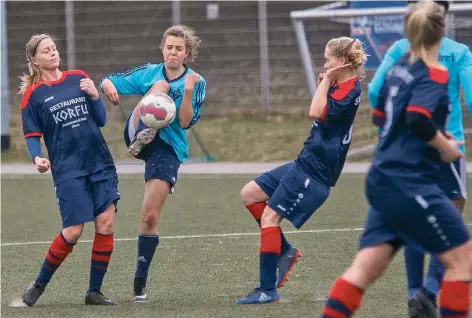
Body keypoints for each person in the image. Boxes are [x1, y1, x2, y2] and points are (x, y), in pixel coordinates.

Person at [321, 2, 472, 317]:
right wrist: (444, 144)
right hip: (410, 178)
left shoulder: (399, 65)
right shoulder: (435, 72)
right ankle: (427, 293)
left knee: (364, 269)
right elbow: (418, 117)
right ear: (442, 30)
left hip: (382, 176)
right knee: (462, 260)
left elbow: (379, 113)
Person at [234, 36, 367, 304]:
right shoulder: (343, 85)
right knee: (250, 193)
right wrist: (327, 83)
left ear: (340, 62)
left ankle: (267, 290)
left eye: (328, 58)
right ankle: (285, 251)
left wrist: (327, 82)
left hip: (315, 172)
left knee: (270, 218)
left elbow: (315, 111)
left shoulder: (348, 90)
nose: (325, 62)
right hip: (304, 161)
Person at [368, 0, 472, 315]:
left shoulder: (400, 48)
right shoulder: (458, 51)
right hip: (445, 146)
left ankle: (415, 293)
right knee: (452, 223)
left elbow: (375, 90)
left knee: (414, 220)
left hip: (403, 153)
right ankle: (428, 290)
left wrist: (389, 130)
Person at [100, 24, 206, 303]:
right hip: (137, 133)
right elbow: (110, 80)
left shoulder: (196, 81)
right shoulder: (150, 72)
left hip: (167, 148)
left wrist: (185, 91)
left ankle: (139, 283)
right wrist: (107, 87)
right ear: (162, 49)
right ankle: (144, 131)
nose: (173, 52)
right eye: (169, 47)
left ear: (187, 53)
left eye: (179, 48)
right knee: (159, 86)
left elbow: (185, 122)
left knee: (149, 217)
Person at [19, 34, 120, 306]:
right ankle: (38, 285)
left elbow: (99, 119)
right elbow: (31, 133)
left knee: (106, 223)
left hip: (99, 163)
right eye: (45, 50)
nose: (52, 52)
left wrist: (96, 95)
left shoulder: (78, 78)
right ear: (34, 59)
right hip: (68, 168)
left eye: (54, 48)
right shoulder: (33, 94)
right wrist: (36, 157)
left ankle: (94, 291)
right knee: (74, 231)